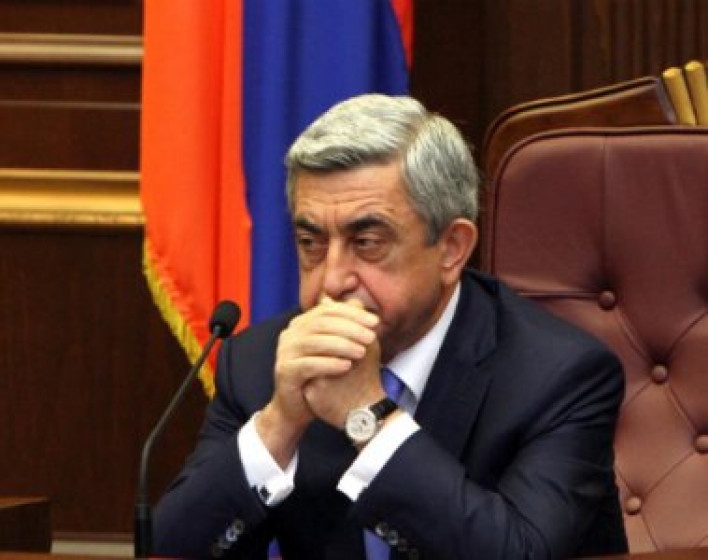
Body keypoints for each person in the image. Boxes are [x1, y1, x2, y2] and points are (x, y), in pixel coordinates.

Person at [153, 94, 628, 559]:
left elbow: (520, 551)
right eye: (311, 243)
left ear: (451, 249)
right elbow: (171, 547)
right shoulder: (261, 363)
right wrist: (279, 425)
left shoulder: (558, 376)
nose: (332, 281)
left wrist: (369, 417)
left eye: (367, 242)